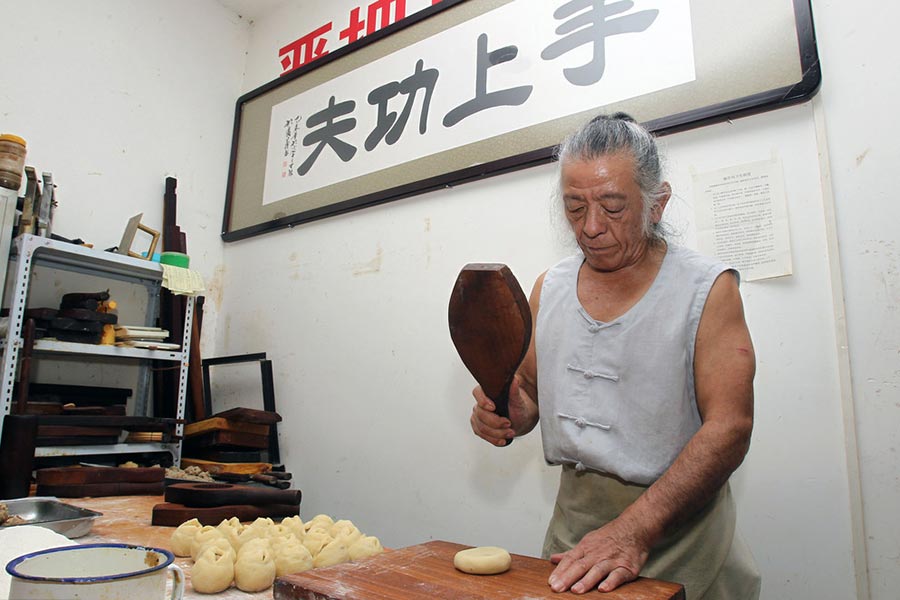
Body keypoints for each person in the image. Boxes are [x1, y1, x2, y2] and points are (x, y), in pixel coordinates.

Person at [469, 113, 761, 599]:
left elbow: (730, 428)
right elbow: (531, 395)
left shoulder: (707, 290)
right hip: (577, 537)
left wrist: (633, 530)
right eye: (574, 207)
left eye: (611, 205)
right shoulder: (551, 287)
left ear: (656, 204)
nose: (591, 227)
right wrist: (509, 411)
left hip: (681, 535)